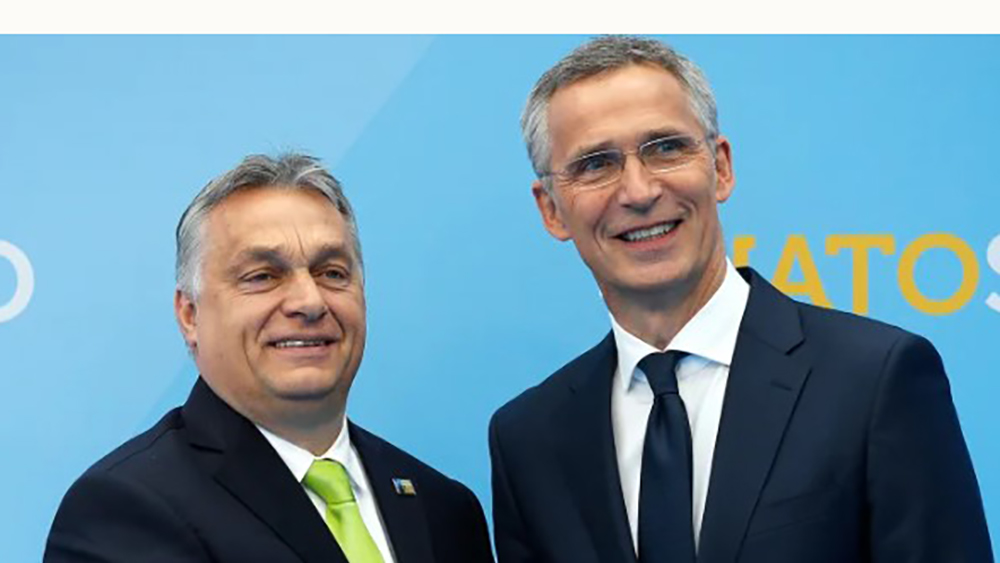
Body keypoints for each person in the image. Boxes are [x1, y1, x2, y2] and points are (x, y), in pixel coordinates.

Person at [489, 36, 993, 563]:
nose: (638, 191)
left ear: (721, 167)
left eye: (665, 148)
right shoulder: (528, 440)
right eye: (596, 164)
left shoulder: (872, 380)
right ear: (551, 210)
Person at [46, 153, 495, 563]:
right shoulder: (125, 508)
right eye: (262, 276)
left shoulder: (444, 508)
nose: (309, 301)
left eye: (332, 272)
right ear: (190, 314)